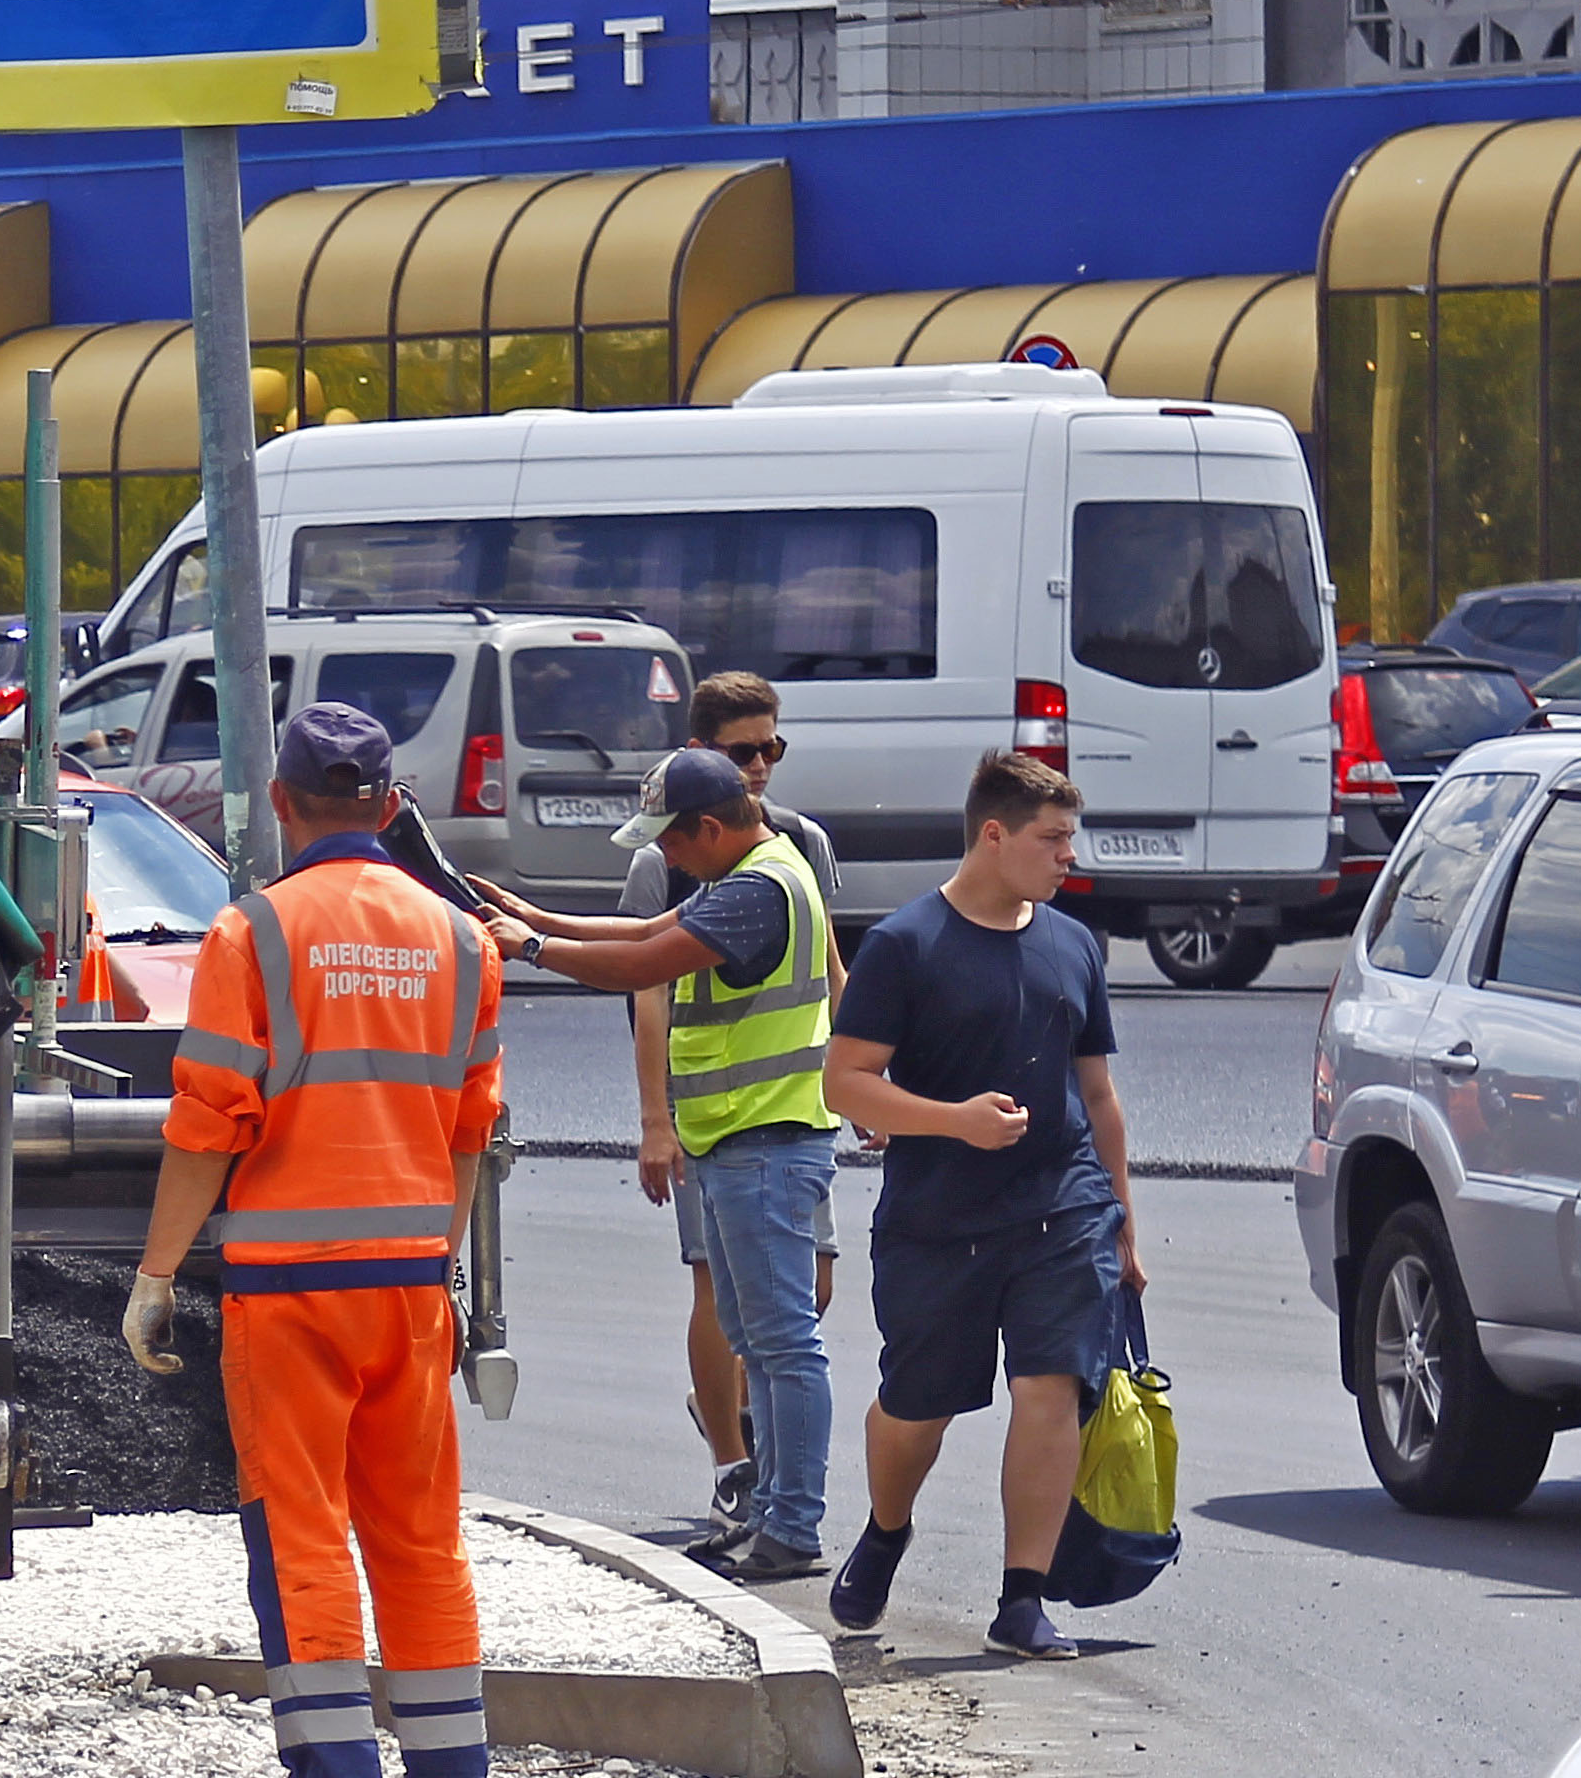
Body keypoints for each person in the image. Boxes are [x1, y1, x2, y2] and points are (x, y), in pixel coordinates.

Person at [124, 701, 510, 1778]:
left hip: (291, 1284)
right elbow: (469, 1132)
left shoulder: (256, 935)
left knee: (299, 1522)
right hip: (408, 1282)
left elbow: (208, 1122)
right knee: (419, 1529)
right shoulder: (462, 939)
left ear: (284, 805)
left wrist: (152, 1275)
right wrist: (433, 1262)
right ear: (390, 808)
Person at [474, 744, 841, 1584]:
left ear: (710, 828)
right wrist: (537, 918)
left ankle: (792, 1524)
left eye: (669, 841)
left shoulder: (760, 889)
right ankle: (776, 1513)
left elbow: (644, 962)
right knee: (762, 1340)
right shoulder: (749, 870)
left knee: (782, 1346)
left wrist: (533, 949)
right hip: (738, 1140)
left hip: (765, 1141)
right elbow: (648, 930)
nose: (662, 856)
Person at [818, 749, 1142, 1660]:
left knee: (1050, 1387)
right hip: (939, 1221)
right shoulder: (904, 944)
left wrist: (1122, 1218)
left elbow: (1099, 1094)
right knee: (918, 1405)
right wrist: (953, 1122)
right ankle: (886, 1531)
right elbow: (846, 1084)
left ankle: (1022, 1598)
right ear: (993, 836)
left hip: (1063, 1210)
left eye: (1070, 838)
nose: (1066, 856)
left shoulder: (1074, 944)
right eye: (1051, 839)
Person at [619, 674, 842, 1533]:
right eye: (744, 751)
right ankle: (739, 1470)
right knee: (733, 1308)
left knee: (791, 1316)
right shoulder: (670, 856)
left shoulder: (787, 851)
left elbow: (826, 964)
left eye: (771, 749)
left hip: (777, 1120)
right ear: (703, 754)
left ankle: (784, 1504)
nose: (761, 766)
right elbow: (647, 978)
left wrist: (860, 1074)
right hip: (715, 1121)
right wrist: (653, 1121)